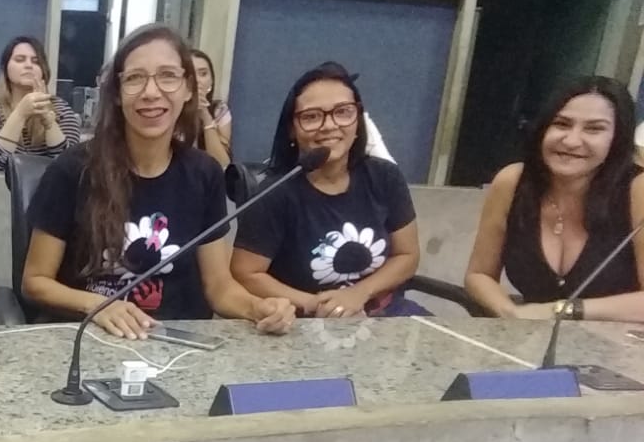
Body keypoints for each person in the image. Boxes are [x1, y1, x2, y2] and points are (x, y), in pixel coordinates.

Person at [21, 23, 295, 339]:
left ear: (189, 89)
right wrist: (98, 306)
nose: (151, 93)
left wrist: (258, 307)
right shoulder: (72, 170)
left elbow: (219, 288)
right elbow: (35, 281)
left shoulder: (204, 173)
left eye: (167, 76)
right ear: (117, 94)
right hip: (92, 338)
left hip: (175, 341)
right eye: (135, 78)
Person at [230, 62, 424, 318]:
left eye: (342, 112)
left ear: (358, 120)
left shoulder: (384, 176)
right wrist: (319, 305)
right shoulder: (275, 192)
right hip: (305, 320)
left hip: (383, 315)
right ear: (292, 129)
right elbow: (246, 273)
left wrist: (359, 293)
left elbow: (407, 255)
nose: (329, 125)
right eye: (311, 117)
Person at [465, 76, 644, 322]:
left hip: (619, 342)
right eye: (561, 124)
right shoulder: (512, 182)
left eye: (594, 129)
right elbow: (478, 275)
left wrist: (560, 310)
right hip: (531, 337)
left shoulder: (637, 189)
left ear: (617, 139)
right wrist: (511, 312)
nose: (571, 141)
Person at [0, 36, 80, 170]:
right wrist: (20, 114)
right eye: (20, 60)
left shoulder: (61, 110)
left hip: (40, 182)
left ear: (43, 70)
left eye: (36, 61)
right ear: (5, 68)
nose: (28, 65)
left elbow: (67, 167)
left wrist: (49, 123)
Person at [190, 49, 232, 167]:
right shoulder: (169, 110)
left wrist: (205, 115)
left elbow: (223, 164)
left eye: (203, 74)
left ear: (211, 81)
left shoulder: (219, 110)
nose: (197, 80)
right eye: (191, 73)